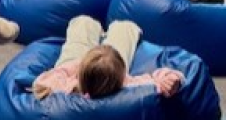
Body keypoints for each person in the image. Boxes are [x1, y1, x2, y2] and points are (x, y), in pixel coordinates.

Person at [31, 15, 184, 100]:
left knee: (82, 22)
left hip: (75, 67)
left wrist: (79, 66)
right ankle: (115, 31)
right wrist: (172, 80)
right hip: (100, 70)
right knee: (125, 27)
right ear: (122, 74)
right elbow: (161, 79)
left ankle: (94, 31)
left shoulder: (64, 88)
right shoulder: (129, 85)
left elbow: (41, 82)